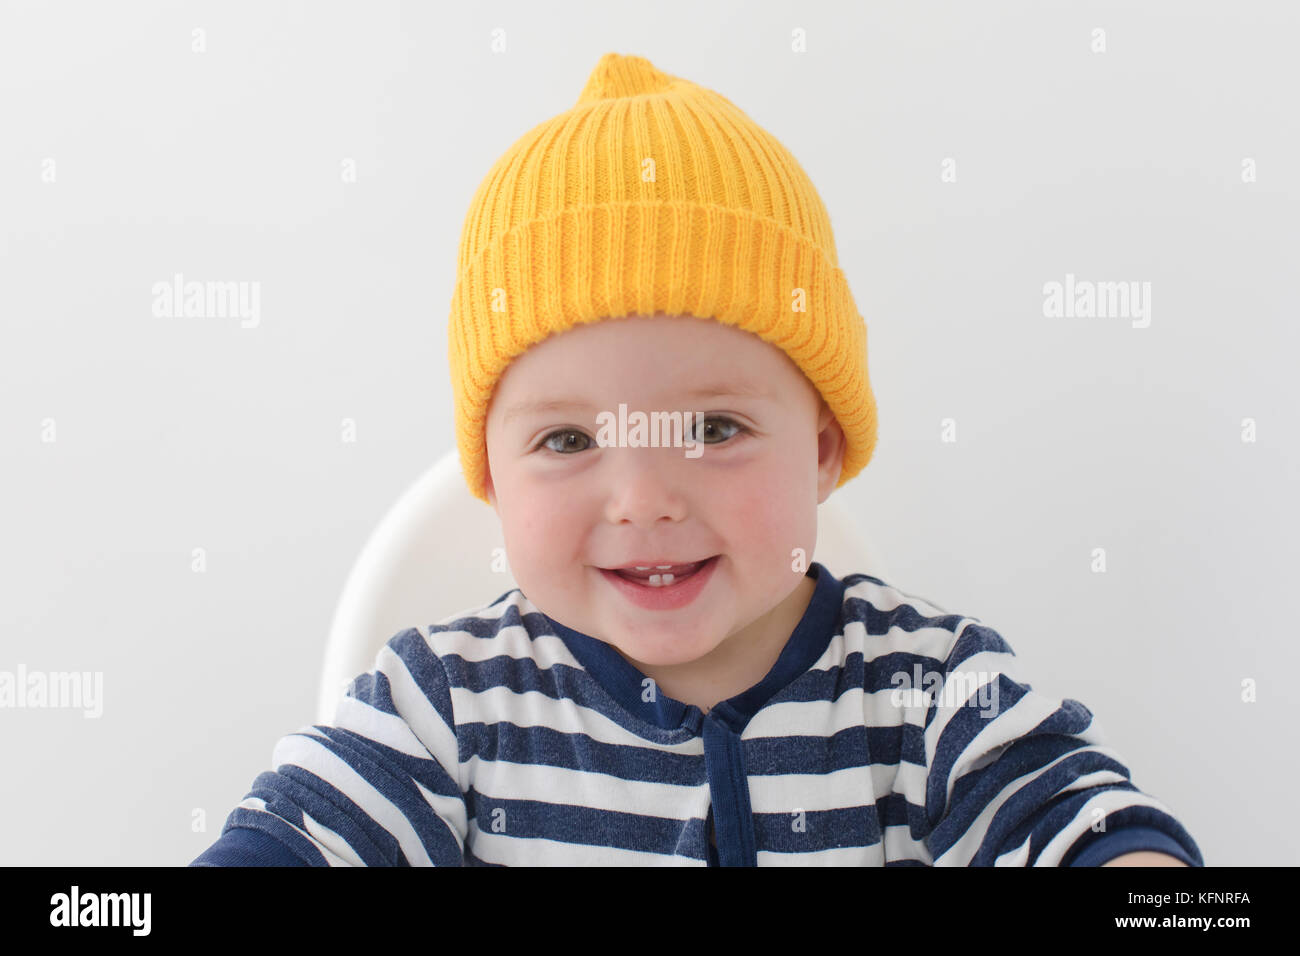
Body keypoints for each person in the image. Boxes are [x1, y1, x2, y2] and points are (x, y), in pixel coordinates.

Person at [190, 52, 1201, 867]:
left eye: (712, 429)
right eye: (569, 439)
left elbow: (1081, 823)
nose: (642, 498)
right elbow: (296, 837)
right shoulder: (442, 706)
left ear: (821, 451)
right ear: (493, 477)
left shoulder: (926, 691)